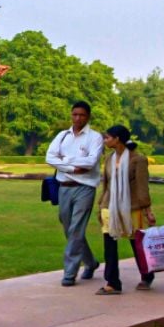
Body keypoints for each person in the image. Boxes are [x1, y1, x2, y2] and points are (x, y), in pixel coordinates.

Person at [44, 100, 104, 286]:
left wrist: (63, 161)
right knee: (69, 228)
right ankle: (91, 262)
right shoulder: (63, 136)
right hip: (64, 187)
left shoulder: (95, 137)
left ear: (88, 117)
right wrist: (72, 165)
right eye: (75, 114)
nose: (78, 118)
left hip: (85, 188)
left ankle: (69, 273)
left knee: (76, 229)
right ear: (71, 115)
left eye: (82, 115)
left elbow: (90, 162)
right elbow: (49, 157)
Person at [95, 125, 156, 294]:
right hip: (110, 207)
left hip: (132, 207)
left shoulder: (138, 159)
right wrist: (101, 205)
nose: (105, 140)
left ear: (117, 139)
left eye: (108, 137)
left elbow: (142, 188)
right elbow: (106, 185)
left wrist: (148, 210)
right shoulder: (108, 159)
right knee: (109, 244)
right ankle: (113, 282)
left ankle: (147, 275)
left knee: (136, 243)